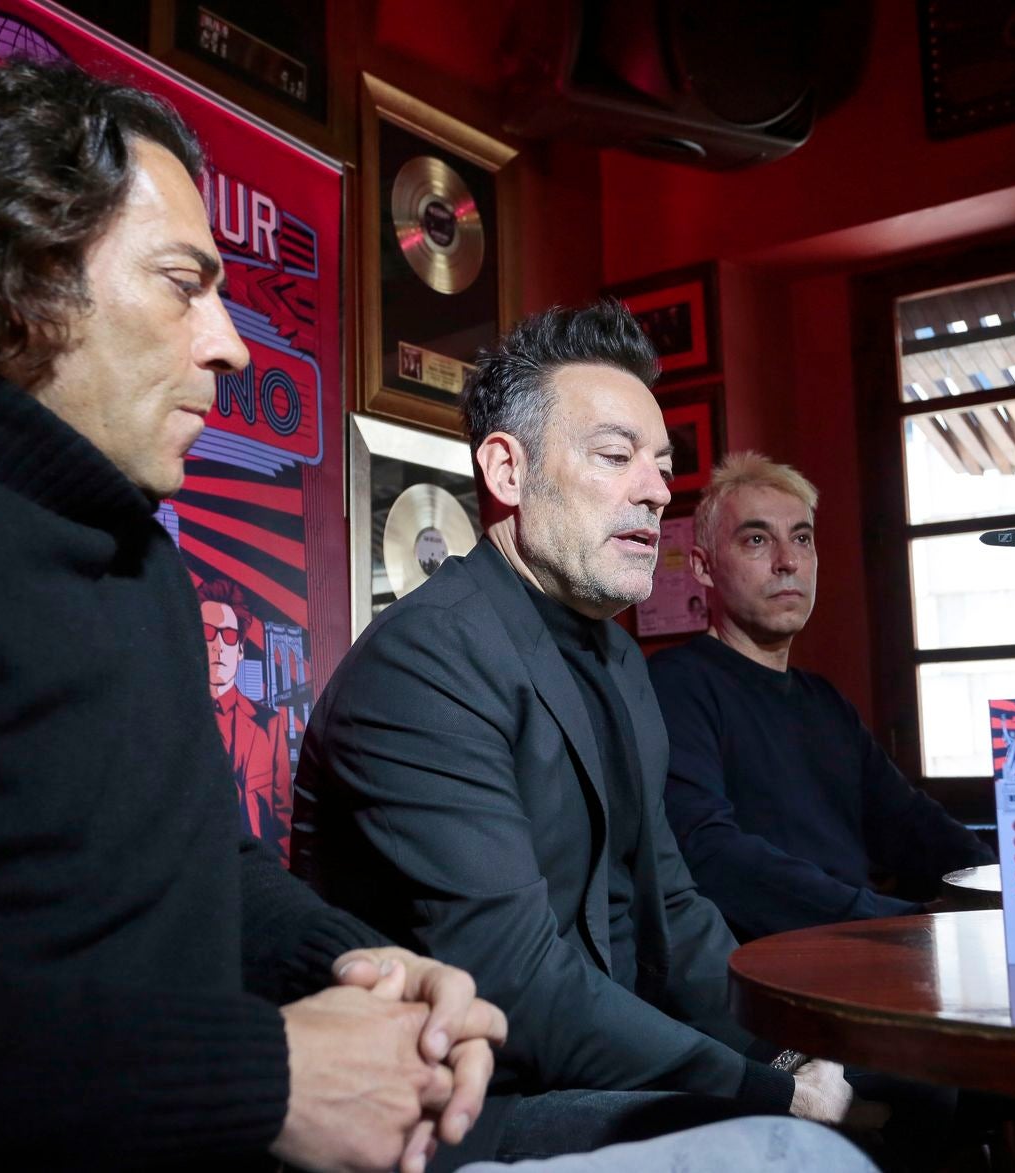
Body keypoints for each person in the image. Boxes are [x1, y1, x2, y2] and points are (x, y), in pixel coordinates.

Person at [0, 59, 509, 1173]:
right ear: (19, 275)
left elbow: (207, 874)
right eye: (183, 281)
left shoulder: (145, 572)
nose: (230, 343)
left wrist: (366, 973)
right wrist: (259, 1075)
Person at [292, 304, 865, 1161]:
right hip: (461, 1105)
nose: (657, 488)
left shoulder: (617, 656)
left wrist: (784, 1046)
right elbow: (516, 982)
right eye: (615, 456)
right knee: (797, 1152)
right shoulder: (425, 663)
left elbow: (672, 906)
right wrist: (769, 1088)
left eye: (663, 465)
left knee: (904, 1078)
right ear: (507, 470)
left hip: (590, 1066)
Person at [648, 453, 994, 943]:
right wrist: (895, 922)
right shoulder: (675, 687)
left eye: (802, 538)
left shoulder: (824, 702)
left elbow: (909, 821)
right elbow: (710, 854)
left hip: (859, 952)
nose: (787, 561)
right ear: (703, 567)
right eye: (756, 539)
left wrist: (1004, 884)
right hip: (766, 971)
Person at [200, 576, 294, 858]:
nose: (218, 646)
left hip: (259, 879)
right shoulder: (171, 721)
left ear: (240, 649)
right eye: (207, 632)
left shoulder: (270, 724)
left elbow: (283, 825)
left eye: (228, 636)